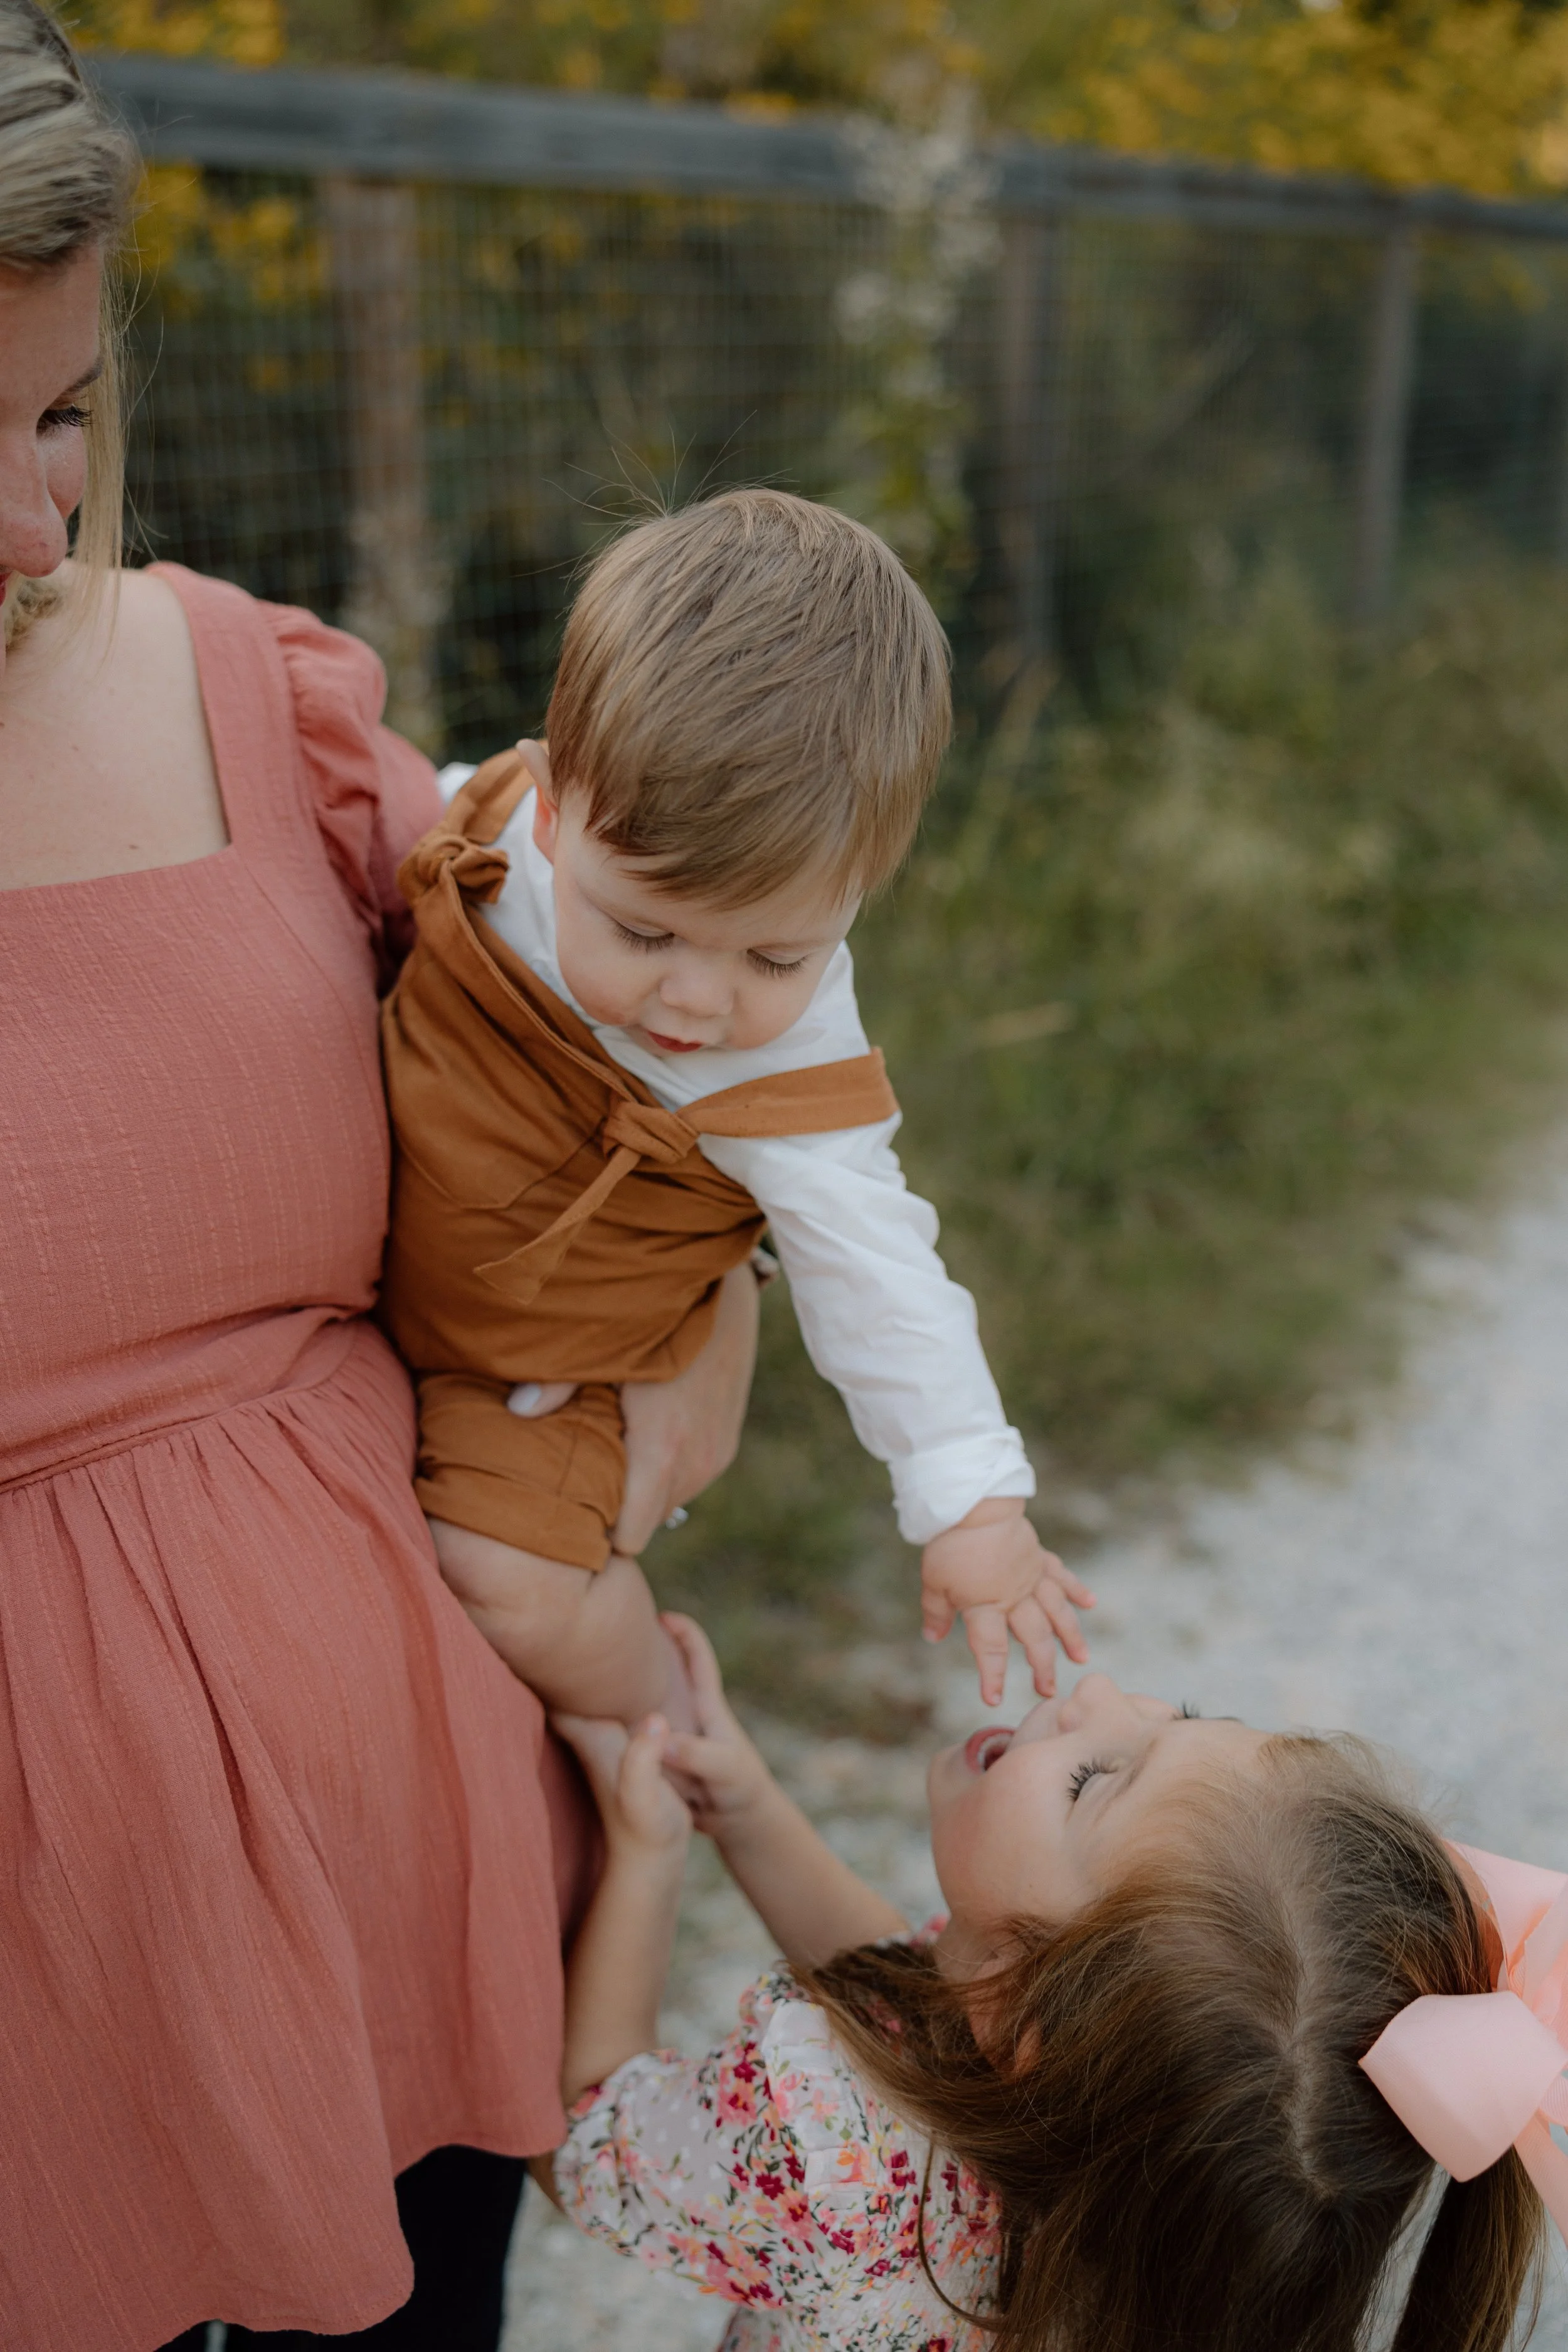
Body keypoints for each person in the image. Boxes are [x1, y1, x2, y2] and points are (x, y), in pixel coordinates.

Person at [0, 7, 760, 2346]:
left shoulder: (259, 693)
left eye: (58, 414)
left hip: (415, 1851)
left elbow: (641, 1047)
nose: (34, 523)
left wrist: (654, 1420)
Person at [379, 491, 1096, 1729]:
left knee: (507, 1585)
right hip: (402, 1260)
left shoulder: (790, 1078)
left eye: (775, 957)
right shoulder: (497, 825)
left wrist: (970, 1504)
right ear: (555, 810)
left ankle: (666, 1735)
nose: (697, 1001)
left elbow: (880, 1274)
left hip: (541, 1372)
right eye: (645, 930)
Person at [544, 1625, 1553, 2352]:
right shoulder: (1158, 2197)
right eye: (1186, 1717)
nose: (1101, 1691)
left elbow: (586, 2133)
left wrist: (645, 1858)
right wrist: (752, 1810)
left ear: (1029, 2010)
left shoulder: (821, 2150)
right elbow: (902, 1992)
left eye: (1092, 1779)